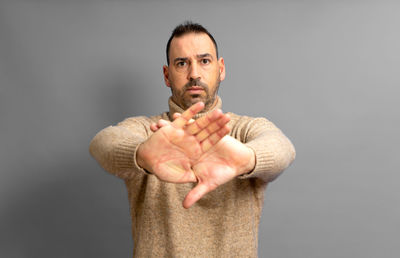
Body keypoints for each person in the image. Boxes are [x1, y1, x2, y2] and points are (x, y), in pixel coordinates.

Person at [89, 21, 295, 257]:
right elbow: (102, 143)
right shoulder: (151, 132)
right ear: (167, 75)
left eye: (204, 61)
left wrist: (247, 159)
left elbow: (283, 148)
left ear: (221, 69)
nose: (194, 73)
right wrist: (141, 154)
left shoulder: (243, 129)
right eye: (182, 63)